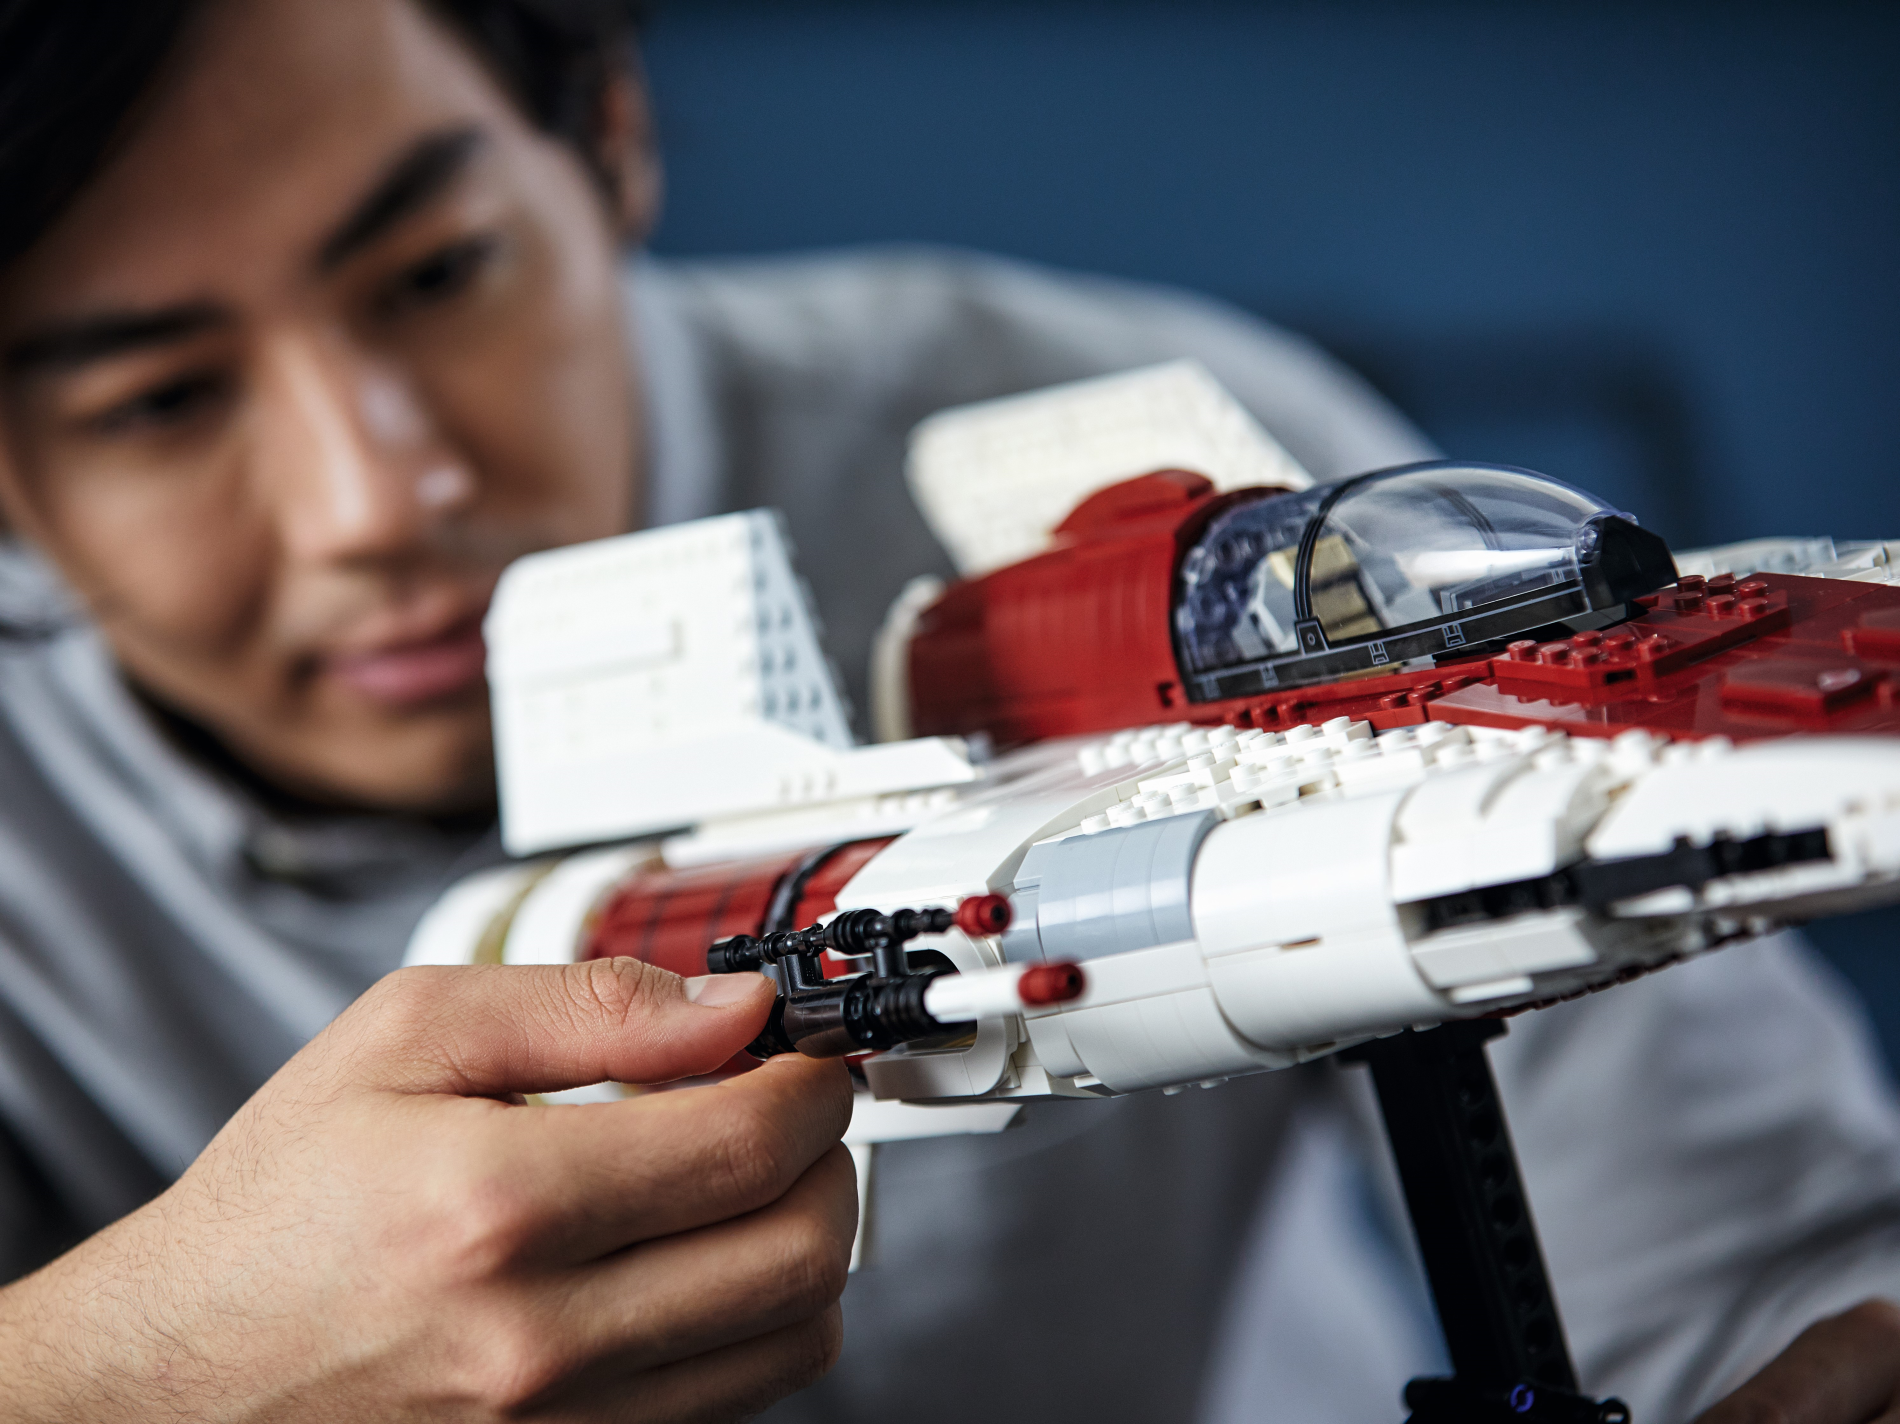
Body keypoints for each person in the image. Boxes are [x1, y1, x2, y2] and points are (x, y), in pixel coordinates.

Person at [0, 1, 1894, 1420]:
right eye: (157, 400)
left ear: (610, 137)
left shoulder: (1174, 448)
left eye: (437, 274)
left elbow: (1756, 1245)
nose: (373, 496)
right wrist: (129, 1380)